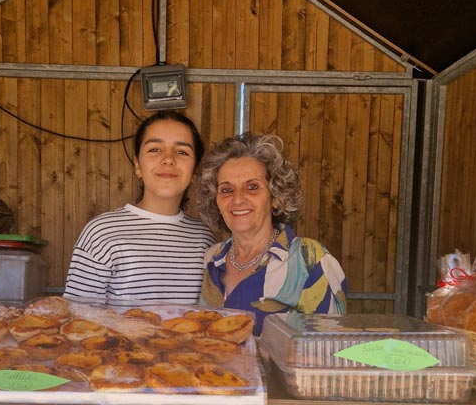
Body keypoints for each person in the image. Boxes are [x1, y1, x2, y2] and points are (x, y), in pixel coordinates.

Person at [194, 132, 347, 333]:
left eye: (252, 187)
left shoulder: (309, 260)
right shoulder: (211, 259)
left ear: (275, 197)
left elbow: (328, 349)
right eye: (226, 190)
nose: (238, 199)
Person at [63, 110, 215, 304]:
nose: (168, 159)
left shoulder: (206, 240)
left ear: (195, 170)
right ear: (137, 165)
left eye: (182, 152)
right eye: (154, 149)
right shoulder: (101, 233)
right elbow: (79, 319)